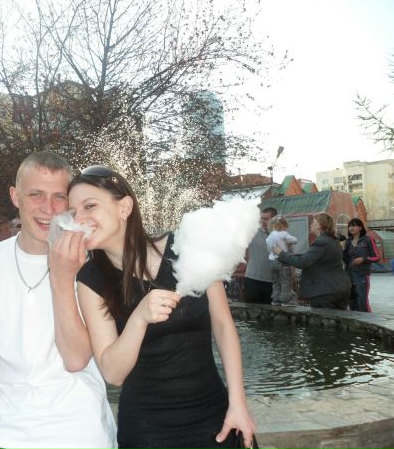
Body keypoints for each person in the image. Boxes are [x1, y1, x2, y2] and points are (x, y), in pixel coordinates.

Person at [69, 165, 256, 449]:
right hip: (146, 430)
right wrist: (139, 319)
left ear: (124, 207)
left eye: (89, 206)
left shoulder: (187, 246)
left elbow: (222, 325)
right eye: (72, 212)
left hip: (214, 416)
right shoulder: (90, 279)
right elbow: (113, 374)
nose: (78, 219)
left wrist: (238, 402)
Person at [0, 152, 116, 449]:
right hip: (1, 430)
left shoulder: (91, 264)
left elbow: (78, 358)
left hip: (76, 430)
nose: (48, 208)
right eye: (36, 195)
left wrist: (63, 276)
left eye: (59, 197)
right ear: (15, 196)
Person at [275, 213, 350, 309]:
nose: (311, 224)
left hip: (325, 292)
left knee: (323, 318)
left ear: (320, 225)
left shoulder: (321, 242)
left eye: (313, 222)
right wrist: (290, 256)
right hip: (340, 289)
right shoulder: (333, 241)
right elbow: (310, 257)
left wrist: (280, 253)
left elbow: (302, 262)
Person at [342, 218, 380, 312]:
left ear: (360, 227)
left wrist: (363, 259)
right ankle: (355, 319)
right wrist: (342, 249)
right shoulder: (347, 242)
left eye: (354, 225)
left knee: (363, 301)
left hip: (362, 275)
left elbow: (377, 257)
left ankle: (367, 319)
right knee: (351, 300)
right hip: (349, 275)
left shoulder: (368, 239)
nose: (351, 228)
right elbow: (346, 260)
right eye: (350, 226)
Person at [243, 206, 278, 304]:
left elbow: (288, 256)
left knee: (270, 311)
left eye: (266, 219)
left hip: (272, 282)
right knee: (250, 310)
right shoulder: (253, 231)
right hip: (252, 279)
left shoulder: (281, 235)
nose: (262, 221)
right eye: (261, 218)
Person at [266, 215, 298, 306]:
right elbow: (295, 240)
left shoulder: (270, 236)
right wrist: (288, 242)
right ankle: (285, 300)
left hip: (272, 261)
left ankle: (275, 299)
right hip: (282, 260)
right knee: (285, 281)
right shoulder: (283, 234)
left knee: (276, 281)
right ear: (283, 225)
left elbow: (269, 248)